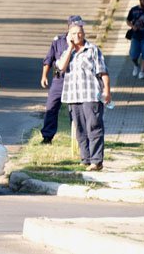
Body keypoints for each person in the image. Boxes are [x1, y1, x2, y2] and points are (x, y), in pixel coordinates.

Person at [56, 16, 111, 171]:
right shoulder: (67, 52)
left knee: (94, 126)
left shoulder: (93, 50)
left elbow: (103, 71)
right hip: (73, 97)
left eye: (80, 33)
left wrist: (107, 90)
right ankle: (85, 159)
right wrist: (70, 48)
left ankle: (96, 161)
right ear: (68, 36)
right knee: (80, 130)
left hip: (91, 95)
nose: (77, 36)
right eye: (73, 33)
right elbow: (61, 67)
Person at [39, 16, 82, 144]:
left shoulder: (82, 42)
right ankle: (47, 136)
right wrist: (44, 76)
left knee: (75, 109)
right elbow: (49, 59)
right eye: (74, 26)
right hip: (59, 79)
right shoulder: (58, 41)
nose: (77, 29)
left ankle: (78, 137)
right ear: (69, 27)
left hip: (74, 79)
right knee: (51, 107)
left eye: (79, 26)